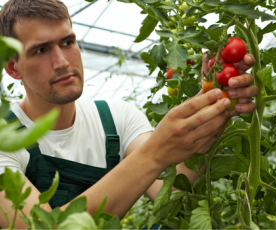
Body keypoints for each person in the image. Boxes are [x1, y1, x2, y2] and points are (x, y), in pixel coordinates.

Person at [0, 0, 259, 228]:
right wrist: (156, 152)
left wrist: (214, 112)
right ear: (13, 68)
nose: (62, 62)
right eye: (41, 50)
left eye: (67, 42)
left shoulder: (116, 118)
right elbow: (43, 227)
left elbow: (168, 188)